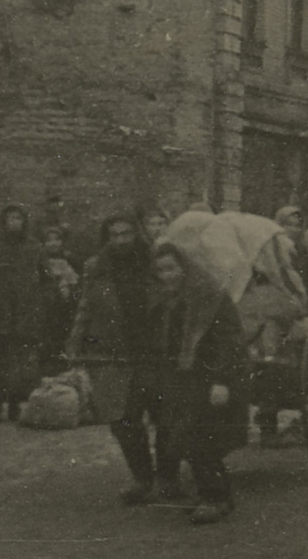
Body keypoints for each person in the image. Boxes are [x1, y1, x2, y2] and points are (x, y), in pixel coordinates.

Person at [66, 213, 171, 503]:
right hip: (114, 352)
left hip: (153, 351)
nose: (121, 240)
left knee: (165, 416)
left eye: (127, 234)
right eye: (115, 235)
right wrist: (74, 345)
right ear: (107, 238)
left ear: (137, 235)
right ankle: (142, 478)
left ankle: (167, 478)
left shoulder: (154, 263)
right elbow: (85, 307)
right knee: (123, 419)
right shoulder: (96, 267)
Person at [145, 243, 250, 524]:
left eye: (172, 268)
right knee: (185, 436)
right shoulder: (168, 299)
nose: (167, 276)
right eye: (161, 270)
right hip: (181, 377)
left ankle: (216, 498)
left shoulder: (209, 295)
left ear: (185, 267)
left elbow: (229, 342)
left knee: (199, 436)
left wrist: (221, 381)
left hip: (208, 375)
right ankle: (214, 495)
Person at [0, 204, 45, 423]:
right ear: (3, 221)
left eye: (19, 218)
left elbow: (41, 276)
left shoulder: (33, 246)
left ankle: (16, 403)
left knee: (20, 359)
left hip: (25, 308)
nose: (15, 222)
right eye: (11, 218)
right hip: (0, 306)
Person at [38, 225, 81, 376]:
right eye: (49, 240)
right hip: (46, 308)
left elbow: (79, 284)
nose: (53, 243)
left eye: (57, 240)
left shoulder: (70, 259)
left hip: (66, 307)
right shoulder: (40, 260)